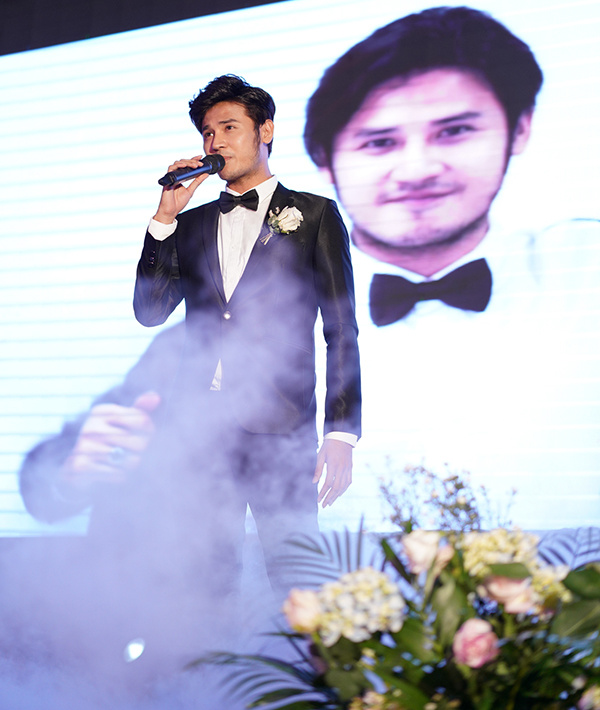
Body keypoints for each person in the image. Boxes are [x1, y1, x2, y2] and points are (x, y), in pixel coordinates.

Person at [303, 6, 600, 530]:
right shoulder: (266, 310)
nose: (417, 169)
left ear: (520, 129)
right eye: (379, 142)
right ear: (325, 159)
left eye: (456, 130)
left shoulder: (585, 267)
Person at [133, 75, 361, 595]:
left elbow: (341, 328)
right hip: (200, 429)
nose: (215, 141)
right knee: (204, 580)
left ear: (266, 130)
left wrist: (341, 432)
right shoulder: (189, 225)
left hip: (280, 425)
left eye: (229, 127)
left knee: (298, 577)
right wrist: (165, 218)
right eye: (207, 133)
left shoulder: (313, 215)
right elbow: (150, 311)